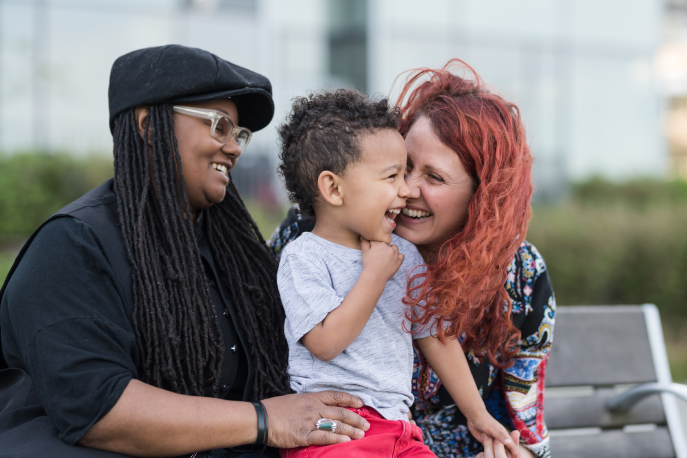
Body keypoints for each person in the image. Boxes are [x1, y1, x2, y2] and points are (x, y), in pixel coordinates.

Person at [0, 45, 370, 458]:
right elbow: (98, 409)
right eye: (219, 126)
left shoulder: (234, 249)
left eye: (239, 134)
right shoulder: (72, 244)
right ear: (149, 126)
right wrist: (264, 420)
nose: (234, 148)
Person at [268, 60, 555, 458]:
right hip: (336, 431)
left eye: (433, 178)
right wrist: (373, 275)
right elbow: (315, 346)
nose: (406, 190)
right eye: (400, 172)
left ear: (482, 197)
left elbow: (438, 337)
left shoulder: (515, 274)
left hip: (402, 437)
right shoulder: (305, 242)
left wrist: (495, 433)